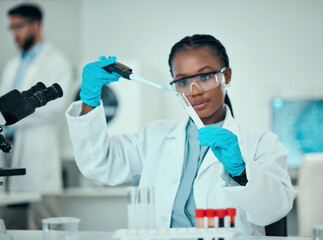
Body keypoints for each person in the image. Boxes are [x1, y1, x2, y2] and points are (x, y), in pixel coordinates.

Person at [66, 34, 294, 235]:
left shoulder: (261, 142)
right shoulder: (154, 137)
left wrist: (242, 171)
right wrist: (89, 100)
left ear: (227, 76)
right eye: (183, 81)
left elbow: (274, 211)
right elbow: (98, 165)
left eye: (205, 77)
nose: (194, 92)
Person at [0, 4, 72, 229]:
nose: (14, 34)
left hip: (37, 153)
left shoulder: (57, 61)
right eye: (11, 28)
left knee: (44, 223)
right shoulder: (13, 64)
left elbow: (55, 107)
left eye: (18, 26)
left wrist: (13, 115)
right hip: (9, 150)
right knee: (12, 225)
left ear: (36, 24)